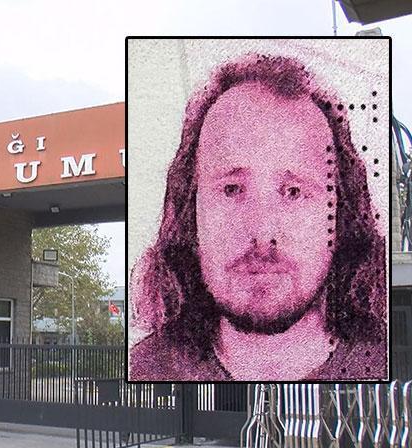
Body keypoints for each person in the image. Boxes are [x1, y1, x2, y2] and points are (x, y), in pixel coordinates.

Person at [129, 54, 386, 381]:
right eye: (232, 189)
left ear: (342, 212)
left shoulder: (384, 364)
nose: (263, 233)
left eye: (293, 191)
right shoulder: (146, 370)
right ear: (189, 212)